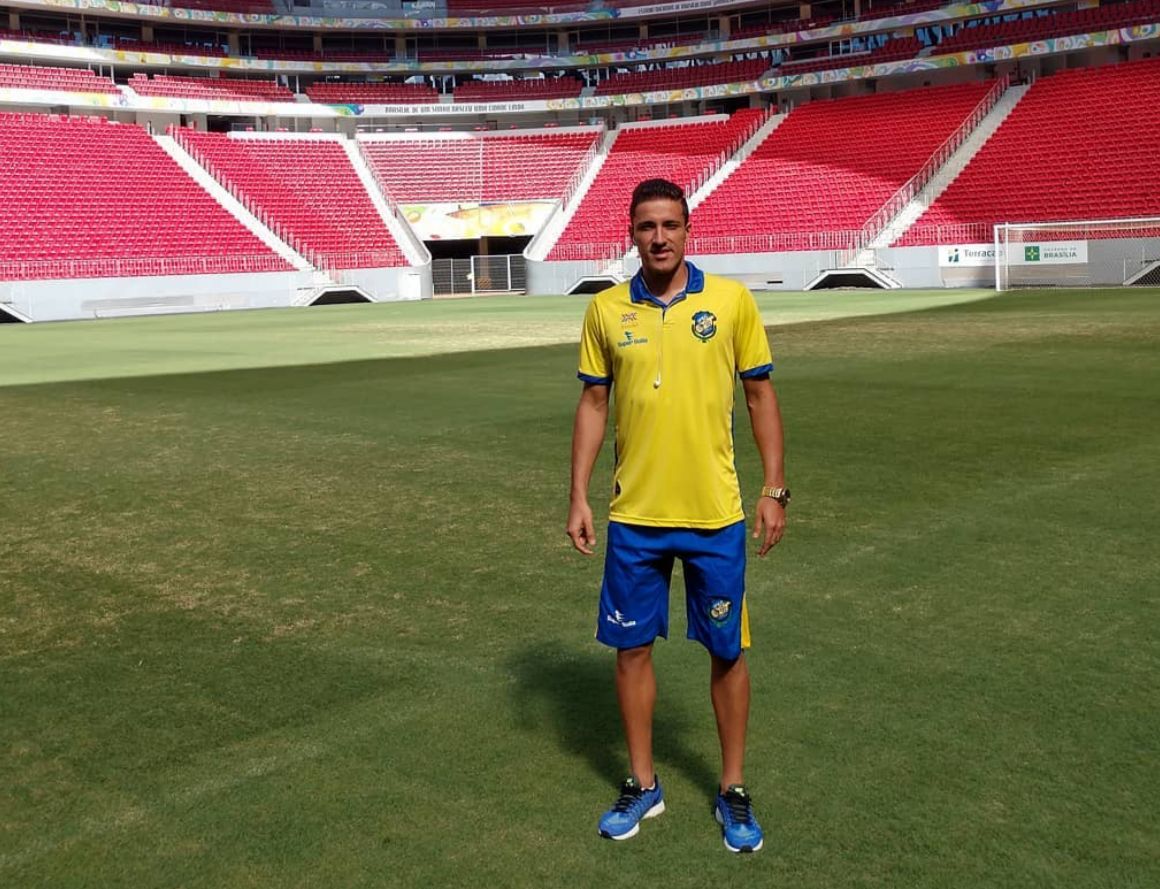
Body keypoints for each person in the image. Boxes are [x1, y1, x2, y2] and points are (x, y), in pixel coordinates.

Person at [567, 178, 788, 854]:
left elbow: (759, 395)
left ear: (689, 230)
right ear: (631, 234)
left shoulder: (729, 302)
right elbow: (594, 406)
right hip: (634, 514)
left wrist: (774, 488)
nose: (658, 237)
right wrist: (577, 493)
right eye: (645, 227)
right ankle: (642, 782)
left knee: (728, 650)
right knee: (631, 650)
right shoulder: (604, 310)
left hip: (714, 513)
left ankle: (732, 787)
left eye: (669, 224)